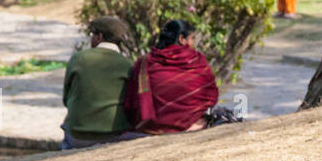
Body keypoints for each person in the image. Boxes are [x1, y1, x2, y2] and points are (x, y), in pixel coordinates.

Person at [123, 19, 219, 134]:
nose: (193, 43)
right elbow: (211, 96)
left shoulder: (144, 62)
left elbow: (132, 102)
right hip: (191, 126)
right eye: (192, 38)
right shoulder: (196, 60)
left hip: (151, 128)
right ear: (181, 39)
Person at [60, 16, 138, 150]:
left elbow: (66, 99)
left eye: (92, 35)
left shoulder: (78, 59)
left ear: (99, 37)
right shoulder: (128, 65)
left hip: (78, 135)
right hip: (114, 133)